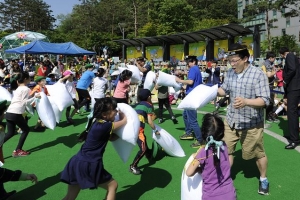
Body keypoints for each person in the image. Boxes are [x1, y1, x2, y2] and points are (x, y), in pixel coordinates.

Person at [217, 43, 270, 195]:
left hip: (251, 123)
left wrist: (246, 101)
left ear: (245, 58)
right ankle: (225, 178)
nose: (232, 64)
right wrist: (210, 91)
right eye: (230, 60)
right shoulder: (230, 73)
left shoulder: (258, 74)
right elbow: (223, 89)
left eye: (235, 60)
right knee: (227, 150)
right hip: (231, 120)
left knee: (257, 153)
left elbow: (265, 100)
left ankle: (263, 179)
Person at [61, 97, 127, 200]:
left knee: (70, 196)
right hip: (89, 164)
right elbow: (124, 121)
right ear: (104, 114)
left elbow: (112, 138)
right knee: (112, 185)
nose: (116, 111)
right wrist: (124, 116)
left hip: (76, 162)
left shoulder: (97, 123)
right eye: (114, 109)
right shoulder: (106, 126)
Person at [186, 113, 236, 200]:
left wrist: (200, 168)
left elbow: (189, 172)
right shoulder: (224, 146)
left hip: (211, 196)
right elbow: (230, 161)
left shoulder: (202, 153)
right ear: (222, 133)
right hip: (230, 194)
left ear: (204, 133)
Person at [3, 72, 41, 157]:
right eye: (29, 78)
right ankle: (18, 150)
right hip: (16, 113)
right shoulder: (26, 89)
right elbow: (24, 102)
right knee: (26, 129)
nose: (30, 79)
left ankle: (17, 150)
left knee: (10, 133)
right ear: (25, 79)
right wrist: (35, 97)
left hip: (9, 112)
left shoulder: (18, 88)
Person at [129, 89, 160, 175]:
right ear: (149, 97)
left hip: (132, 128)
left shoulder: (137, 105)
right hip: (137, 130)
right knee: (143, 149)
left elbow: (141, 117)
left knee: (144, 140)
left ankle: (148, 153)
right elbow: (150, 121)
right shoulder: (149, 105)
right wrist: (155, 130)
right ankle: (133, 166)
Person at [175, 55, 204, 148]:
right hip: (193, 95)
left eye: (188, 62)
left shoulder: (193, 69)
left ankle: (200, 140)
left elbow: (191, 82)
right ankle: (188, 133)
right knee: (185, 115)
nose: (187, 64)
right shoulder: (196, 69)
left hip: (192, 97)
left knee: (192, 120)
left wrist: (180, 80)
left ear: (193, 62)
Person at [279, 47, 300, 149]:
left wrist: (285, 81)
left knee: (292, 113)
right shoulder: (293, 56)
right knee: (293, 112)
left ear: (282, 54)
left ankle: (294, 139)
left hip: (294, 88)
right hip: (295, 88)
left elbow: (292, 69)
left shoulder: (290, 56)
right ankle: (294, 136)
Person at [261, 51, 277, 123]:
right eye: (274, 58)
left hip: (270, 85)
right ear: (270, 58)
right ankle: (267, 116)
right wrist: (275, 71)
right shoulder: (267, 64)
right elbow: (269, 75)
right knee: (269, 102)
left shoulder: (270, 63)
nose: (275, 60)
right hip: (267, 85)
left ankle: (270, 115)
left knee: (272, 101)